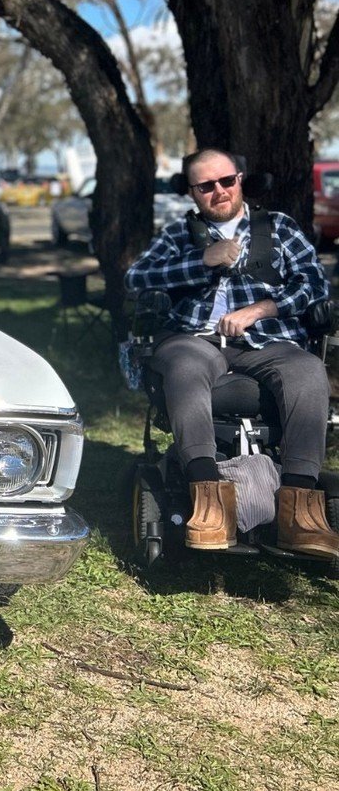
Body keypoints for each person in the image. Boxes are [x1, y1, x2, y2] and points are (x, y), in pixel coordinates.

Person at [125, 148, 339, 557]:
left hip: (268, 340)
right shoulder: (178, 235)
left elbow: (314, 283)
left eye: (226, 181)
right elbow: (138, 276)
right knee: (185, 365)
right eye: (206, 186)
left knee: (309, 370)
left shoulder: (278, 228)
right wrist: (201, 260)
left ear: (240, 179)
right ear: (192, 193)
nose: (219, 192)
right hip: (197, 339)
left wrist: (261, 309)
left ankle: (299, 512)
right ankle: (210, 504)